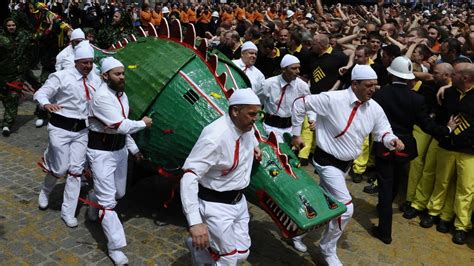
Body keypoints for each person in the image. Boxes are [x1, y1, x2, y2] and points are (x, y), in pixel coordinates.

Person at [291, 65, 404, 265]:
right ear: (355, 84)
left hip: (346, 165)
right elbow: (300, 103)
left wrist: (391, 140)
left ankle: (298, 231)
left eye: (375, 85)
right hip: (326, 161)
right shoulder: (332, 99)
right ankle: (327, 249)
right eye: (369, 85)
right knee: (346, 207)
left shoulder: (375, 108)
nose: (373, 89)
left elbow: (383, 131)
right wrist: (296, 133)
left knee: (324, 202)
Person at [371, 56, 457, 245]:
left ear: (391, 74)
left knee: (385, 184)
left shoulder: (381, 94)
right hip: (405, 146)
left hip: (384, 145)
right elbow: (427, 126)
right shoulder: (416, 99)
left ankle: (385, 229)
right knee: (394, 181)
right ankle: (384, 207)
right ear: (409, 77)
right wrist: (448, 129)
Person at [181, 89, 262, 265]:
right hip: (215, 205)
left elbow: (250, 135)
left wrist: (254, 146)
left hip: (239, 201)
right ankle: (200, 250)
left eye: (258, 114)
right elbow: (189, 177)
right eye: (252, 114)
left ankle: (200, 248)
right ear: (235, 111)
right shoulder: (215, 137)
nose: (255, 119)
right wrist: (195, 223)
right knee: (228, 257)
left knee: (242, 253)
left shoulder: (245, 125)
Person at [86, 57, 152, 264]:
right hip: (102, 154)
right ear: (105, 76)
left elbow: (123, 128)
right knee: (109, 204)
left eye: (123, 73)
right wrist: (143, 122)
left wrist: (133, 149)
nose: (122, 77)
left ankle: (93, 196)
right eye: (117, 73)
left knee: (119, 193)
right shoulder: (102, 97)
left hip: (120, 150)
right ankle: (115, 248)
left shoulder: (121, 95)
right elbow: (121, 125)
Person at [35, 43, 101, 228]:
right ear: (76, 61)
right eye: (84, 63)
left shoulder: (95, 80)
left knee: (75, 171)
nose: (88, 66)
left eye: (90, 62)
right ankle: (46, 190)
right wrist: (46, 104)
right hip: (60, 129)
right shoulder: (62, 76)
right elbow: (41, 93)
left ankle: (68, 212)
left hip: (81, 131)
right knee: (60, 169)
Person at [420, 62, 474, 245]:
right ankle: (434, 213)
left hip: (469, 151)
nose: (451, 76)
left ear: (465, 78)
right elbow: (442, 116)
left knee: (465, 189)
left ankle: (461, 226)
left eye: (455, 73)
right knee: (441, 181)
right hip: (447, 146)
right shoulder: (448, 92)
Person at [259, 54, 311, 143]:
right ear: (283, 69)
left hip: (290, 130)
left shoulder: (302, 86)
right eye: (293, 68)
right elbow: (257, 103)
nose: (298, 71)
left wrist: (311, 118)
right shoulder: (269, 84)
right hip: (269, 128)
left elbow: (309, 104)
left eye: (298, 68)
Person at [0, 18, 33, 136]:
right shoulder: (1, 38)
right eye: (9, 25)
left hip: (18, 73)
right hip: (3, 75)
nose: (11, 27)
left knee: (13, 97)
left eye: (13, 25)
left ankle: (7, 124)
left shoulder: (23, 35)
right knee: (5, 98)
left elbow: (37, 36)